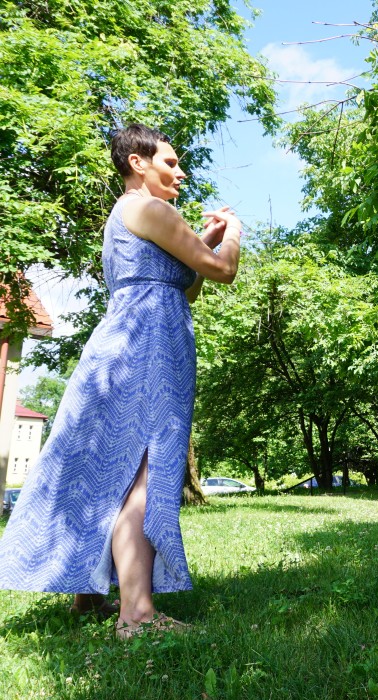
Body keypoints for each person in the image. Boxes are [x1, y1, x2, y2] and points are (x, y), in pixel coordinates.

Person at [0, 124, 242, 638]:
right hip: (150, 344)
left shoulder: (126, 215)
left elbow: (186, 288)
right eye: (170, 163)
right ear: (138, 163)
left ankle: (87, 597)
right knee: (146, 470)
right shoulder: (152, 209)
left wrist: (203, 242)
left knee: (106, 462)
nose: (180, 172)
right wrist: (233, 235)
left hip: (128, 337)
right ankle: (136, 613)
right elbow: (222, 273)